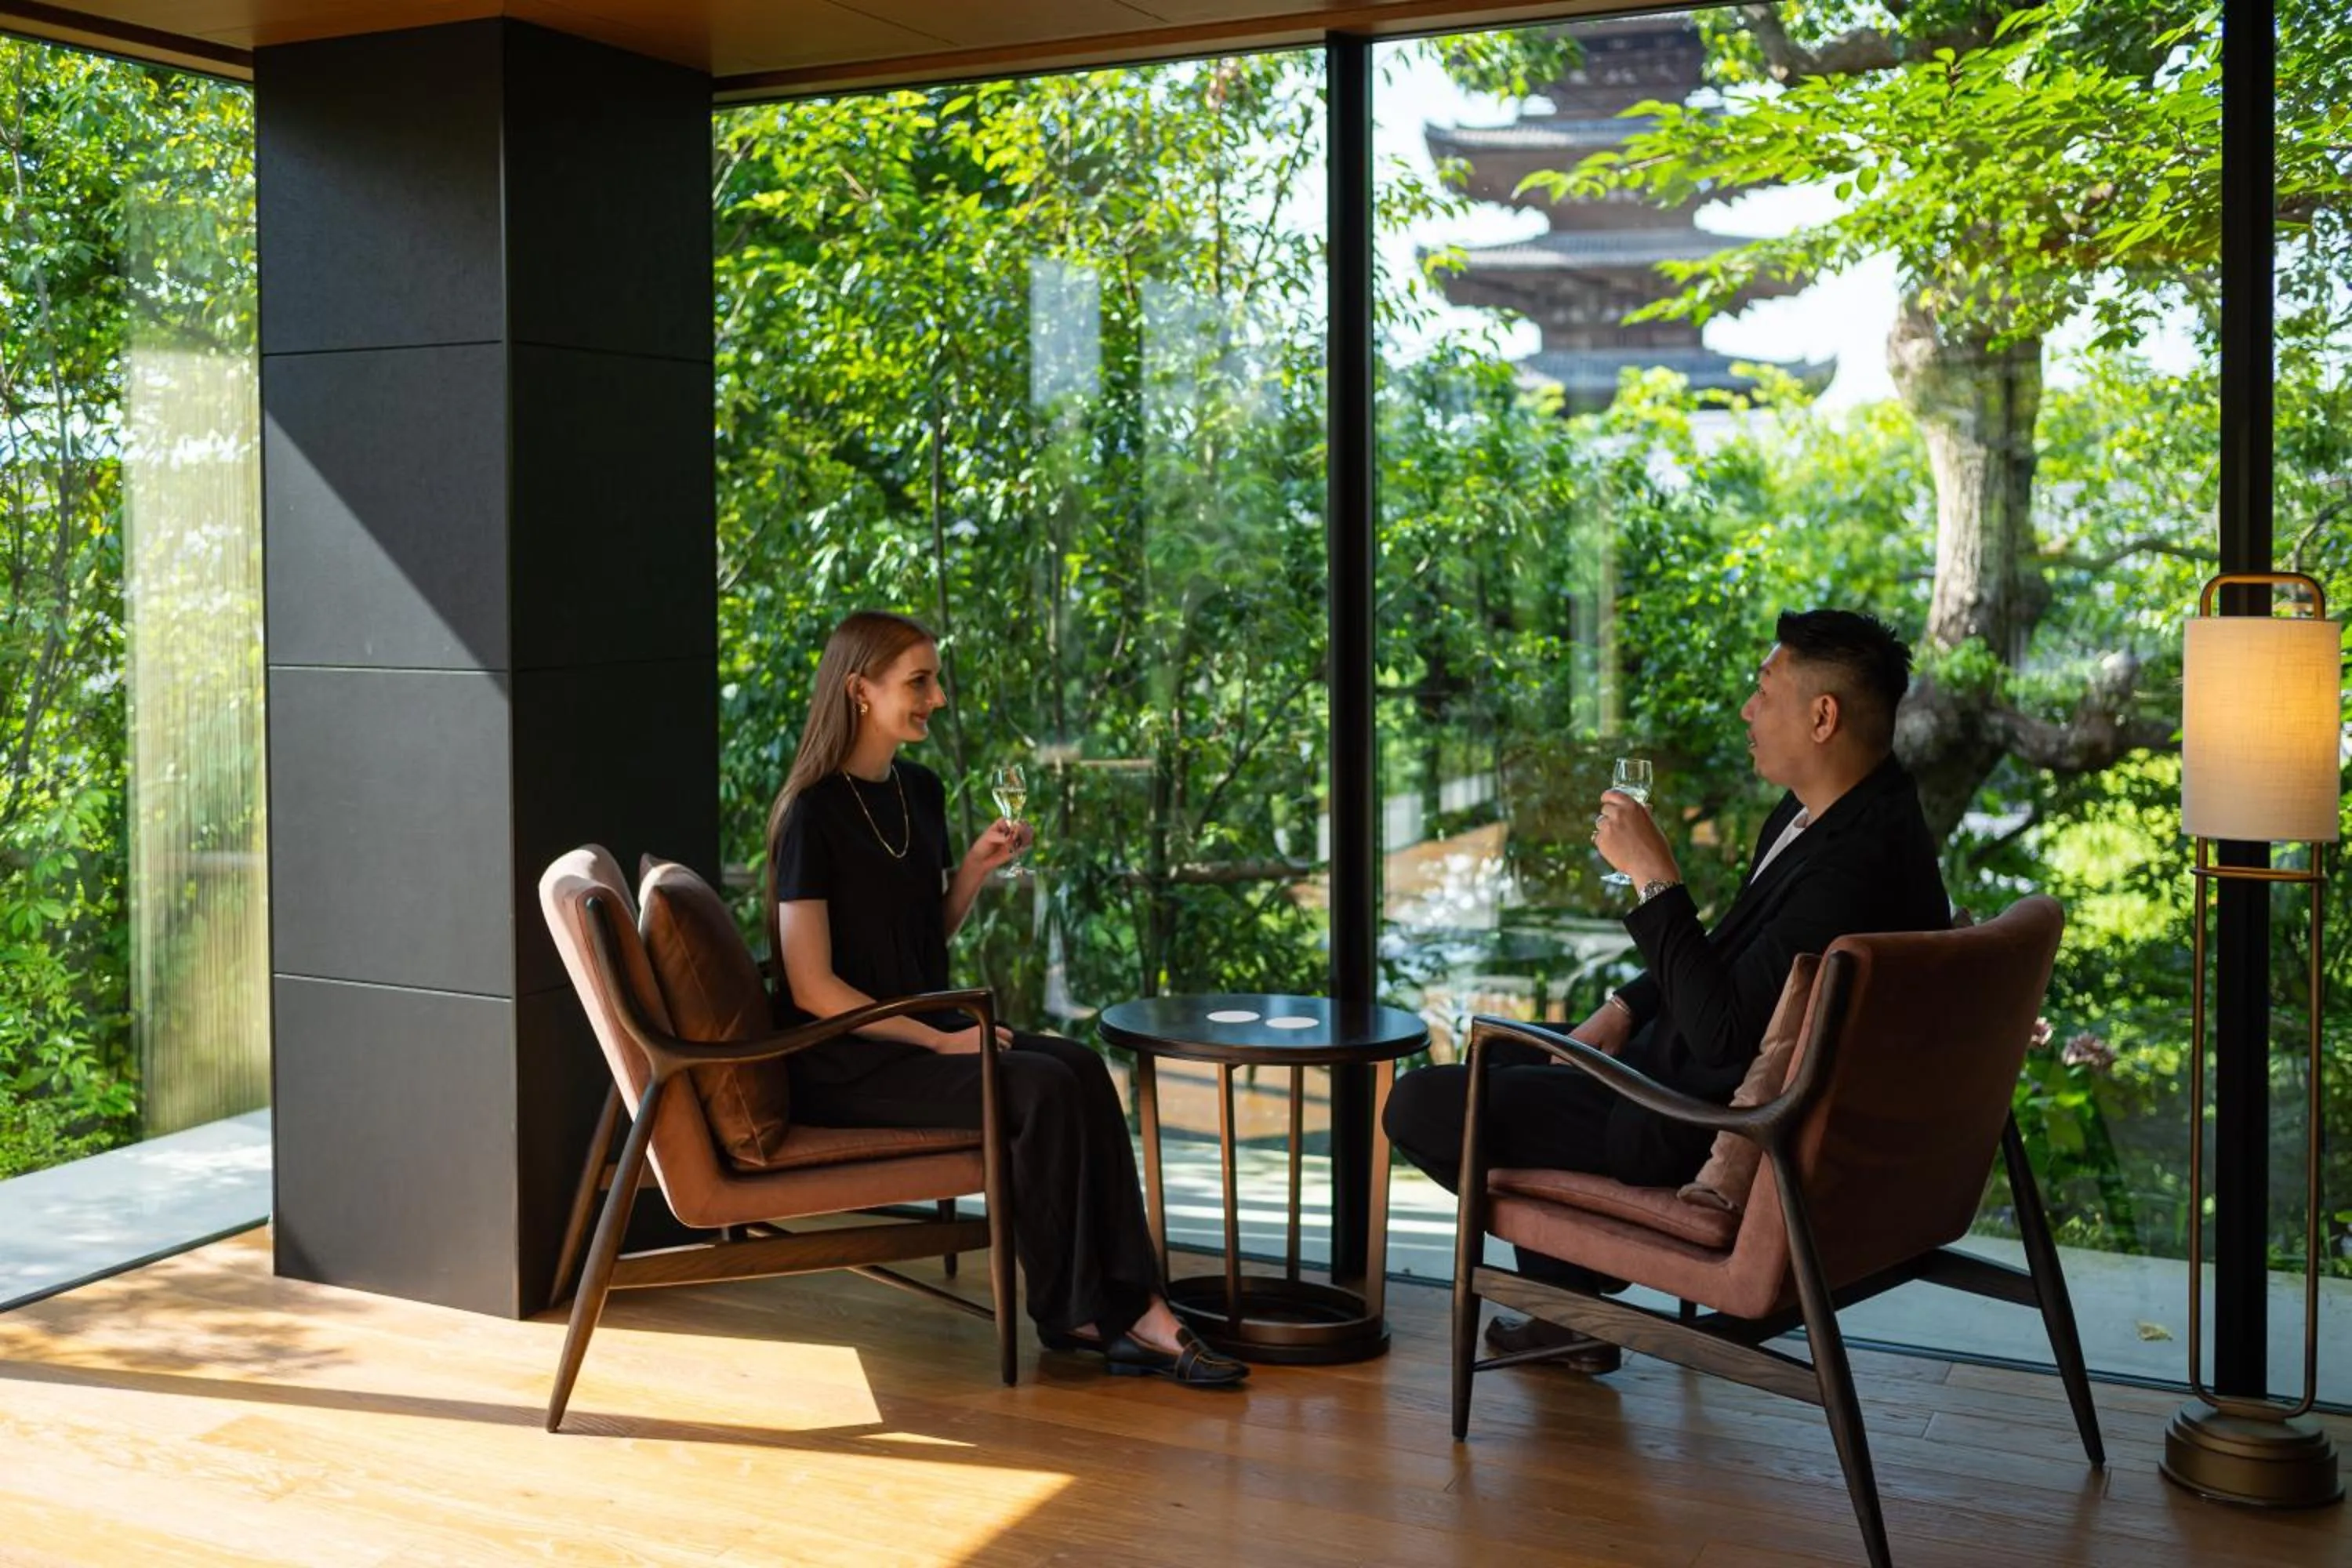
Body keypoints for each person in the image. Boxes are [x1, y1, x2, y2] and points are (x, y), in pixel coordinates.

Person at [1382, 608, 1951, 1373]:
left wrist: (1655, 879)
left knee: (1421, 1103)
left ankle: (1574, 1290)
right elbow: (1736, 953)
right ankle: (1569, 1302)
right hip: (1668, 1066)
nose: (1748, 709)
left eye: (1764, 689)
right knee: (1523, 1056)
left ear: (1823, 716)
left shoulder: (1852, 871)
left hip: (1676, 1117)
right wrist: (1625, 1007)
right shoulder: (1849, 813)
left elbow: (1719, 1032)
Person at [765, 609, 1247, 1388]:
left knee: (1083, 1067)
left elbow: (927, 936)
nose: (939, 696)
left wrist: (976, 870)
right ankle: (1086, 1309)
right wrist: (940, 1041)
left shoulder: (919, 790)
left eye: (935, 677)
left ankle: (1127, 1301)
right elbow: (810, 985)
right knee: (1043, 1086)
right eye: (918, 681)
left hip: (925, 1024)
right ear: (860, 689)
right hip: (849, 1055)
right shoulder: (810, 813)